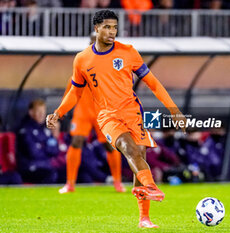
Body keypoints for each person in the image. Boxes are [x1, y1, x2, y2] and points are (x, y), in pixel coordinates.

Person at [46, 10, 186, 228]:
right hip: (107, 115)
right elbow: (75, 91)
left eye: (115, 27)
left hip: (132, 112)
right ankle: (150, 185)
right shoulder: (82, 59)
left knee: (139, 154)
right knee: (127, 147)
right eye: (107, 27)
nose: (112, 31)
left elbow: (153, 83)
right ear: (96, 29)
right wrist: (58, 113)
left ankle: (144, 218)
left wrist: (174, 110)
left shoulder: (128, 52)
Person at [59, 32, 126, 194]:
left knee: (109, 145)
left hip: (102, 111)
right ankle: (70, 183)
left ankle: (117, 182)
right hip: (83, 110)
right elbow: (73, 88)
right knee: (76, 141)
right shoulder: (82, 61)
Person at [17, 99, 59, 184]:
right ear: (31, 112)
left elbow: (55, 150)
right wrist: (46, 147)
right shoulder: (25, 130)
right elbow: (33, 153)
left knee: (66, 174)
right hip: (30, 168)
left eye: (43, 112)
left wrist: (42, 146)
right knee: (51, 175)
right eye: (39, 112)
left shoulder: (45, 130)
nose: (42, 115)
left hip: (46, 166)